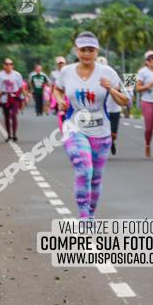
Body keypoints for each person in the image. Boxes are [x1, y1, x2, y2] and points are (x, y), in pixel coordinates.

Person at [53, 32, 128, 219]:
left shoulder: (108, 72)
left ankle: (91, 214)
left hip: (101, 132)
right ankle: (84, 216)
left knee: (95, 178)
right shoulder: (67, 72)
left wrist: (110, 88)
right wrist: (60, 100)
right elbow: (57, 89)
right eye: (83, 50)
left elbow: (125, 101)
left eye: (91, 50)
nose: (87, 54)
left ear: (96, 51)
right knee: (84, 169)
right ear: (76, 51)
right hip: (74, 128)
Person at [0, 58, 24, 141]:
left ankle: (14, 135)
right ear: (4, 65)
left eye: (11, 64)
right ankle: (9, 135)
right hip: (4, 97)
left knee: (13, 115)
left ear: (13, 66)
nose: (9, 65)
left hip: (14, 97)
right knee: (6, 116)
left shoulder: (17, 75)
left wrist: (25, 96)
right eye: (7, 64)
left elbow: (21, 87)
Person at [97, 56, 122, 155]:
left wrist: (113, 89)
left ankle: (112, 142)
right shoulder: (93, 78)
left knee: (113, 134)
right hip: (101, 110)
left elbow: (124, 91)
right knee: (101, 132)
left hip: (114, 108)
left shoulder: (113, 75)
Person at [50, 56, 67, 124]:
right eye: (59, 63)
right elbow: (52, 84)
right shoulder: (53, 73)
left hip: (67, 94)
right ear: (57, 64)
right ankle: (63, 125)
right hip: (58, 94)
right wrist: (52, 95)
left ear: (65, 63)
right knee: (61, 112)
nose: (61, 64)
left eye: (62, 63)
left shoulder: (69, 72)